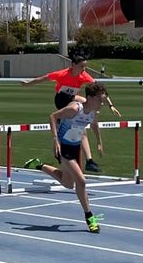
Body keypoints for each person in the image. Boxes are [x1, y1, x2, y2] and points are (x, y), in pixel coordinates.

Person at [23, 83, 106, 234]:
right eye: (100, 100)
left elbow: (94, 125)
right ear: (91, 98)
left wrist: (99, 142)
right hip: (63, 148)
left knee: (68, 183)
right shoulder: (75, 109)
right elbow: (53, 116)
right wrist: (55, 139)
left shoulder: (93, 113)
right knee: (81, 181)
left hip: (74, 148)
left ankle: (39, 165)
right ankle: (90, 218)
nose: (102, 103)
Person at [19, 50, 121, 172]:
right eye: (81, 67)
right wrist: (28, 83)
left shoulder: (84, 75)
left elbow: (99, 90)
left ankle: (88, 161)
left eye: (85, 67)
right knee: (80, 120)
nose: (84, 70)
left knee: (83, 121)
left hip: (73, 98)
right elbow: (44, 78)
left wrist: (111, 105)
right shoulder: (62, 74)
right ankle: (62, 152)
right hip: (61, 100)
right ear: (73, 65)